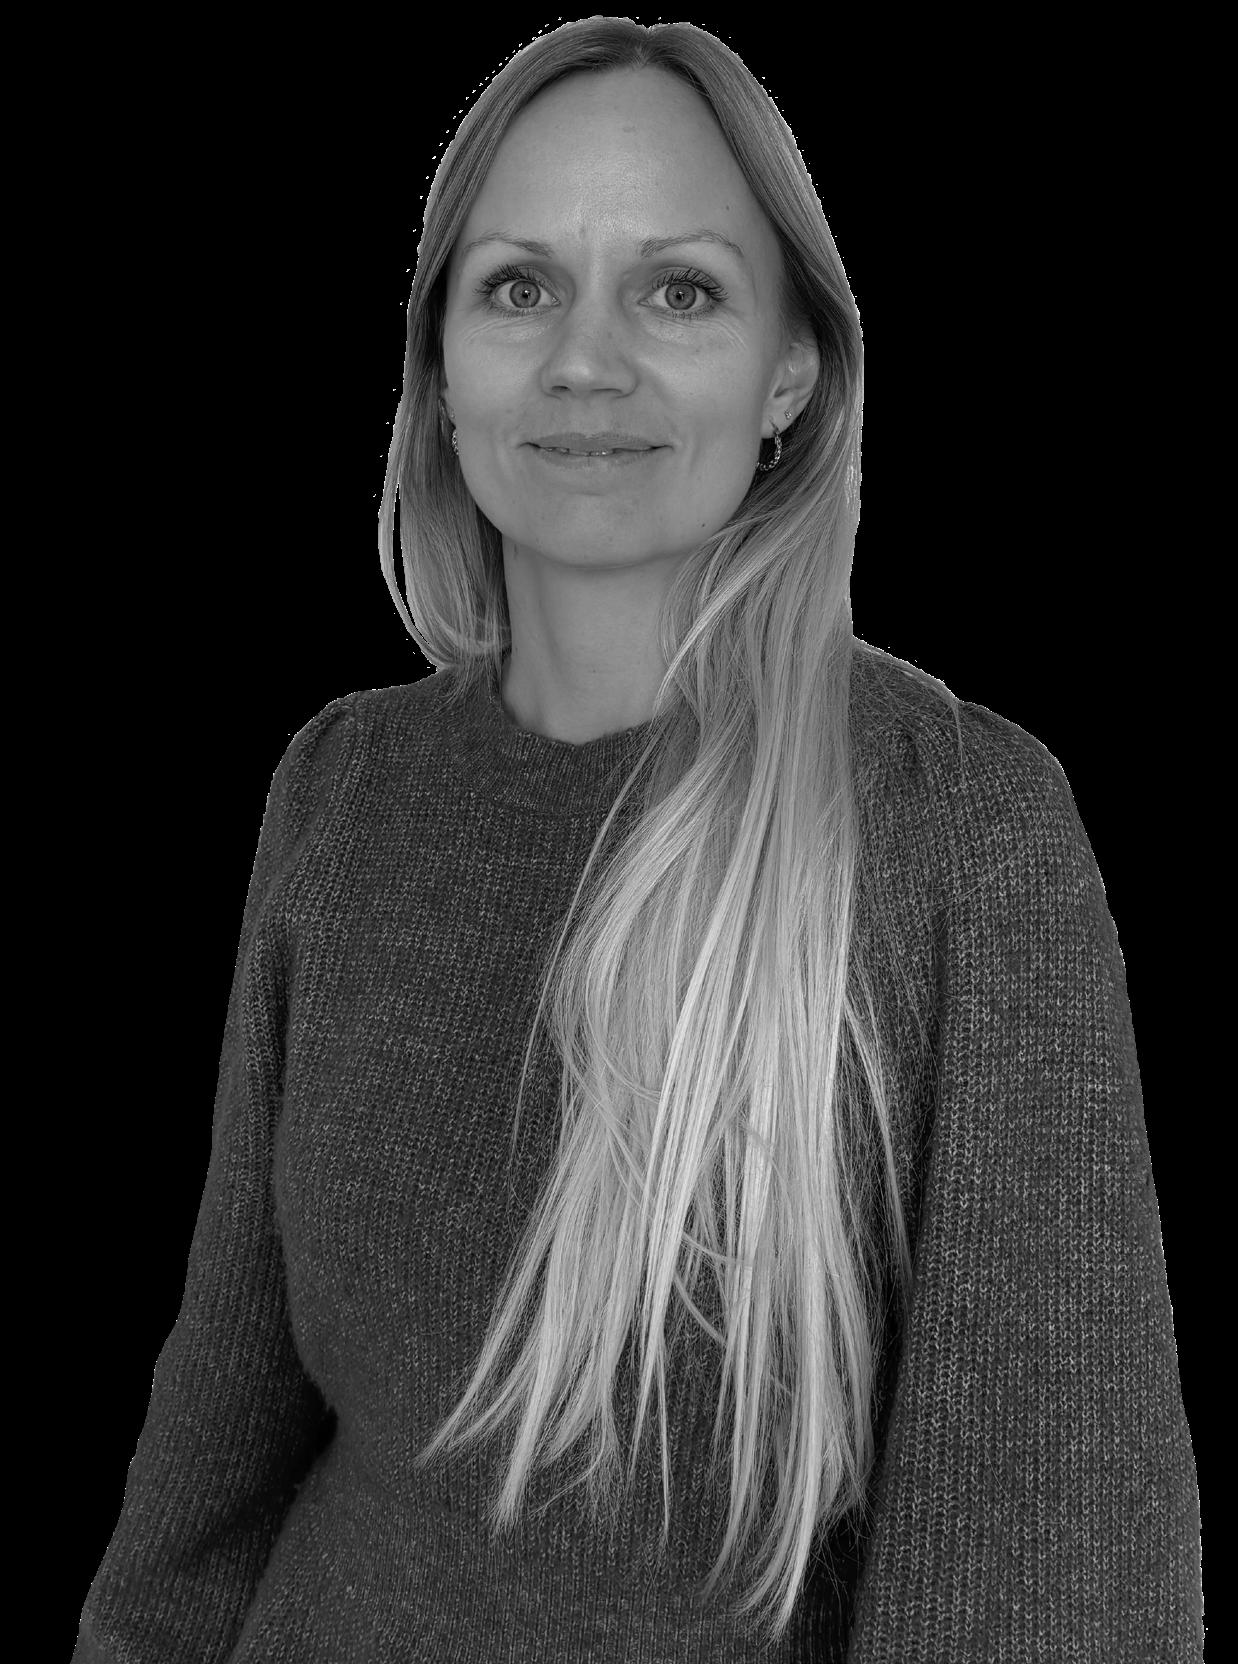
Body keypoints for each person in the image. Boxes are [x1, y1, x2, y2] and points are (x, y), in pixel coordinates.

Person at [74, 18, 1203, 1662]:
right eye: (518, 287)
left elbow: (1053, 1567)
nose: (584, 361)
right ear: (440, 369)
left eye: (677, 291)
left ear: (789, 370)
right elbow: (218, 1443)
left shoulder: (956, 829)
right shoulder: (342, 789)